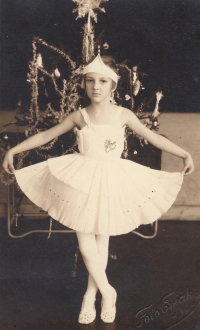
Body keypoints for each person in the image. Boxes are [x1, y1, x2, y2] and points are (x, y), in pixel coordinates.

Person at [3, 54, 194, 324]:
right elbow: (47, 135)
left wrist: (184, 153)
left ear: (113, 86)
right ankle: (108, 290)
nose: (96, 87)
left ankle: (90, 297)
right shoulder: (80, 116)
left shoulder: (123, 115)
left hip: (112, 178)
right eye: (90, 81)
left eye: (103, 81)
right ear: (83, 84)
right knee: (85, 240)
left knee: (102, 238)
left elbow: (152, 137)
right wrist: (14, 149)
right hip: (83, 177)